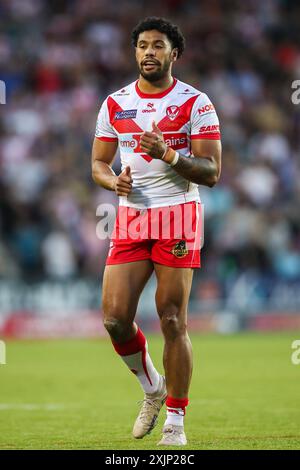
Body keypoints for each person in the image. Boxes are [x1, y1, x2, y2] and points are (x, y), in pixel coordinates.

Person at [91, 17, 221, 446]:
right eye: (142, 45)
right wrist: (114, 183)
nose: (149, 52)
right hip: (130, 216)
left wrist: (167, 152)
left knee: (171, 318)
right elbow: (97, 164)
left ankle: (176, 423)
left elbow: (211, 171)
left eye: (158, 46)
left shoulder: (196, 103)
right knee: (113, 319)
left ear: (174, 53)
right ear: (135, 53)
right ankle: (153, 387)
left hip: (178, 214)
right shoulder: (115, 103)